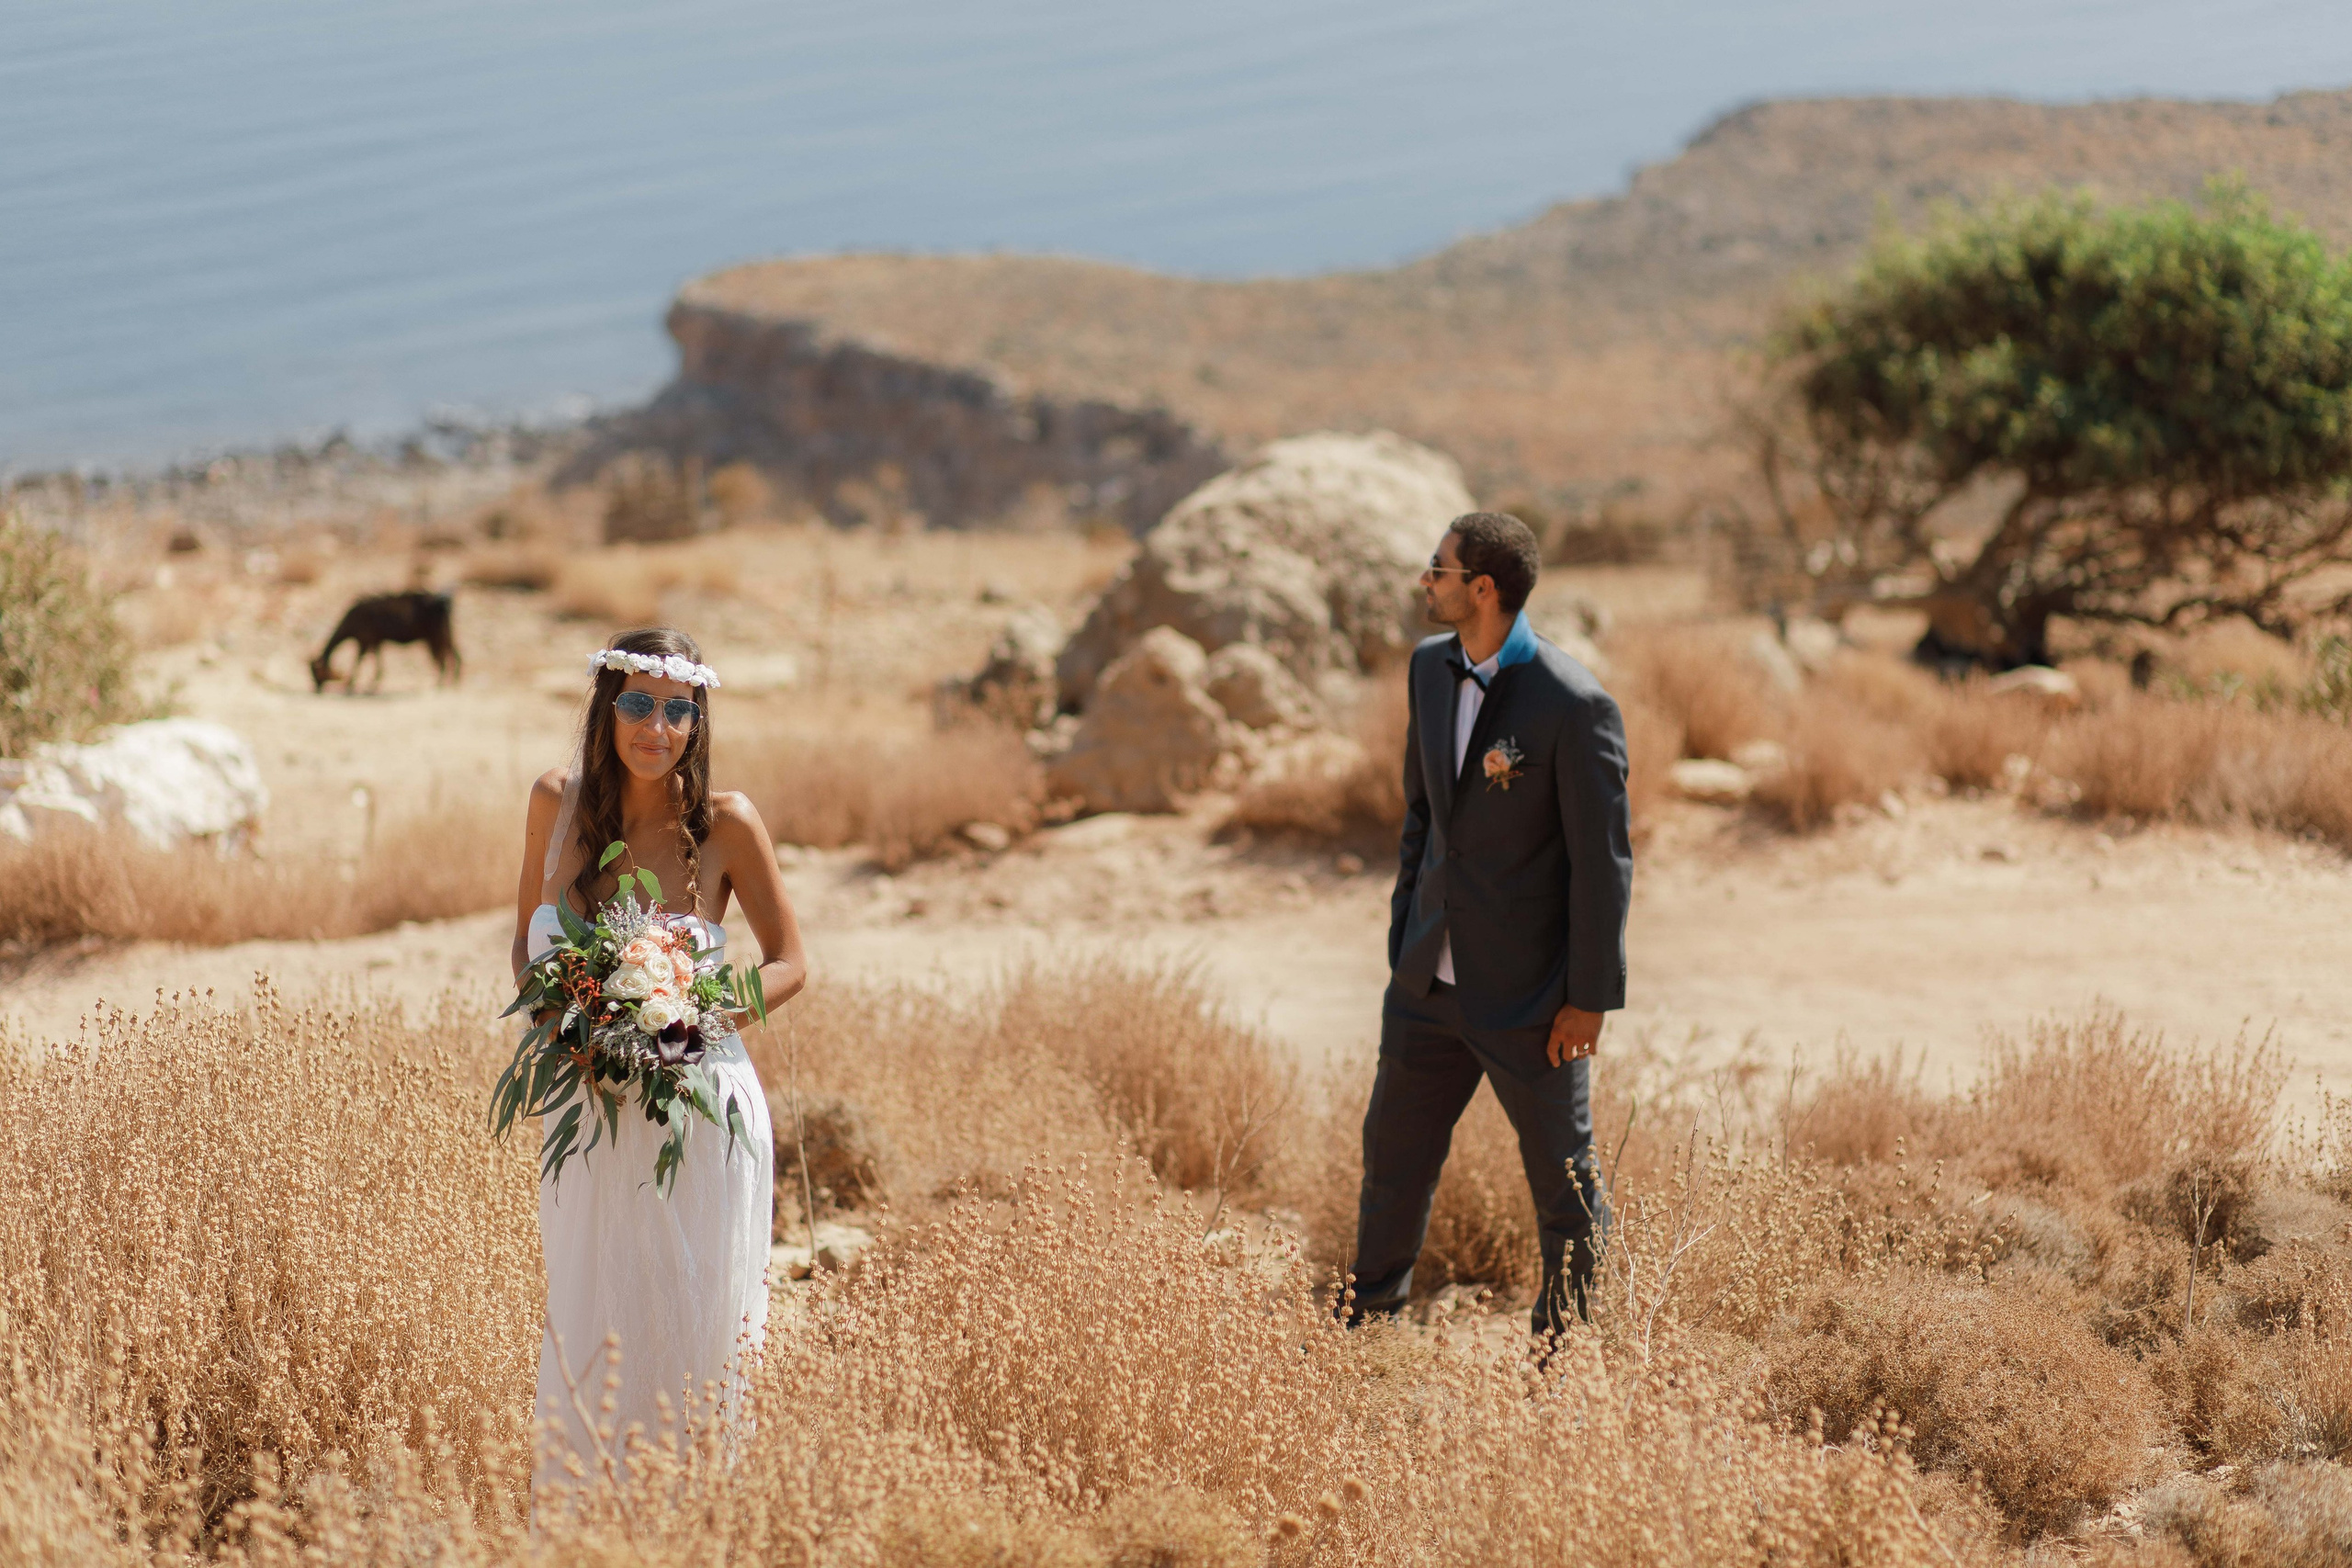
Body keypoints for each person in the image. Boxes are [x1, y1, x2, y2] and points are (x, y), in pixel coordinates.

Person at [511, 626, 808, 1490]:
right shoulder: (552, 802)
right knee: (590, 1312)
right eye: (638, 703)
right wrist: (566, 1029)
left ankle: (695, 1524)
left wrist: (693, 1014)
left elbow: (792, 961)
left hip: (698, 1102)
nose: (658, 726)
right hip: (586, 1109)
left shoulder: (725, 823)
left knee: (693, 1328)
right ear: (608, 708)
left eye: (679, 709)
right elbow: (526, 951)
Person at [1350, 512, 1633, 1339]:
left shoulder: (1575, 704)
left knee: (1567, 1190)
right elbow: (1420, 815)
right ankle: (1365, 1332)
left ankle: (1565, 1358)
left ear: (1483, 588)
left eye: (1436, 569)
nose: (1424, 582)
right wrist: (1407, 933)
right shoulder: (1428, 670)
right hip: (1425, 984)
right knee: (1390, 1166)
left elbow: (1603, 865)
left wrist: (1589, 999)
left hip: (1530, 999)